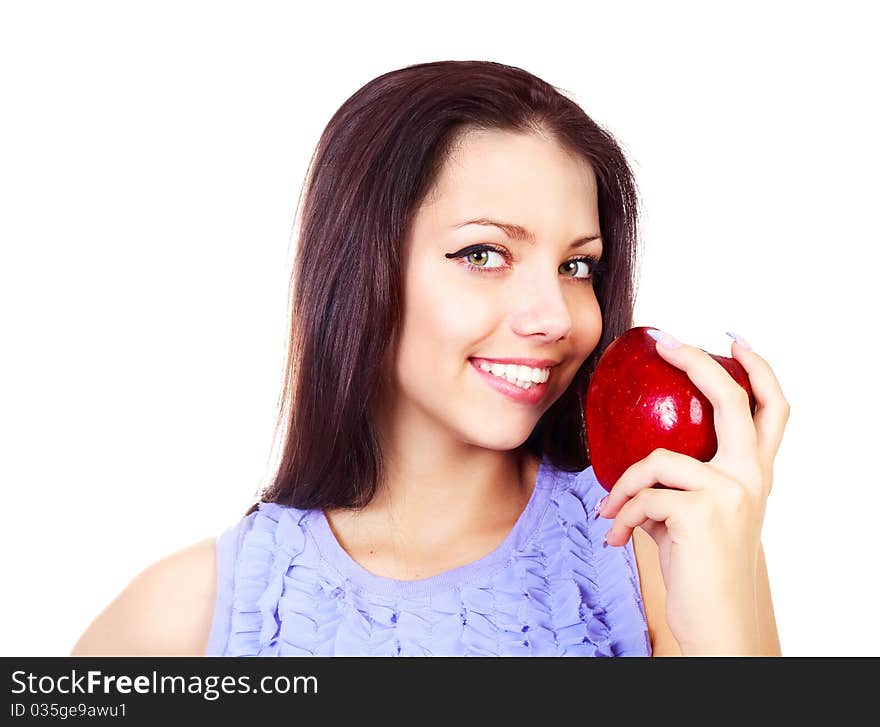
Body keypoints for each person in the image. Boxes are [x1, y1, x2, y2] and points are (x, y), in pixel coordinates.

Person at [72, 60, 789, 657]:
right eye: (484, 254)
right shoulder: (180, 620)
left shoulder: (661, 550)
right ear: (362, 270)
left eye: (578, 266)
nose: (552, 318)